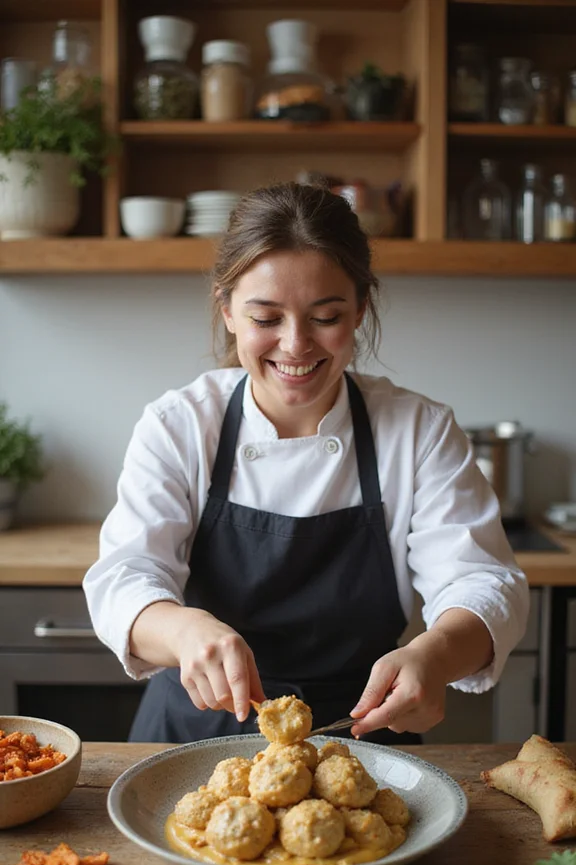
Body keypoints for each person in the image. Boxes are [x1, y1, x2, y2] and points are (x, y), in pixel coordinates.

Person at [83, 182, 529, 746]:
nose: (295, 345)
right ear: (227, 311)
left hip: (364, 738)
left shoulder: (418, 431)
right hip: (190, 737)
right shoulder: (181, 425)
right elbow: (124, 577)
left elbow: (484, 582)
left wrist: (435, 655)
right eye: (266, 317)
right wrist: (183, 629)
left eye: (325, 316)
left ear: (360, 309)